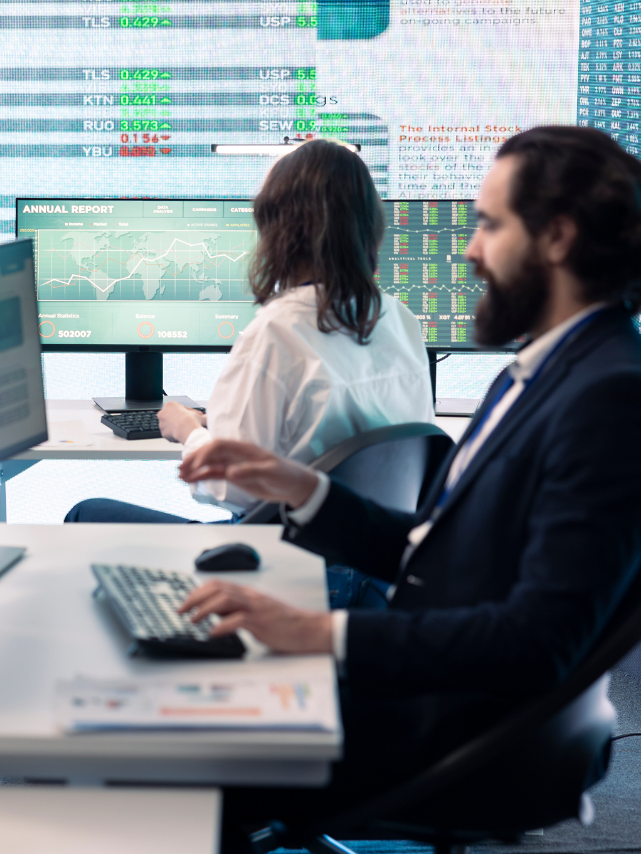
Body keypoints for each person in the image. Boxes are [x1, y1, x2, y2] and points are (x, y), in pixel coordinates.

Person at [176, 126, 641, 842]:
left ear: (556, 238)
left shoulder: (606, 398)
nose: (470, 250)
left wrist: (317, 633)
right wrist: (304, 488)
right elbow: (438, 545)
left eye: (489, 225)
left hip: (440, 729)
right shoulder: (553, 370)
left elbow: (538, 641)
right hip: (422, 687)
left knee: (163, 732)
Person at [64, 140, 434, 530]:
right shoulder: (401, 319)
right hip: (373, 562)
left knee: (85, 513)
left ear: (278, 230)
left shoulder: (278, 331)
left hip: (282, 558)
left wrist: (187, 430)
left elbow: (232, 490)